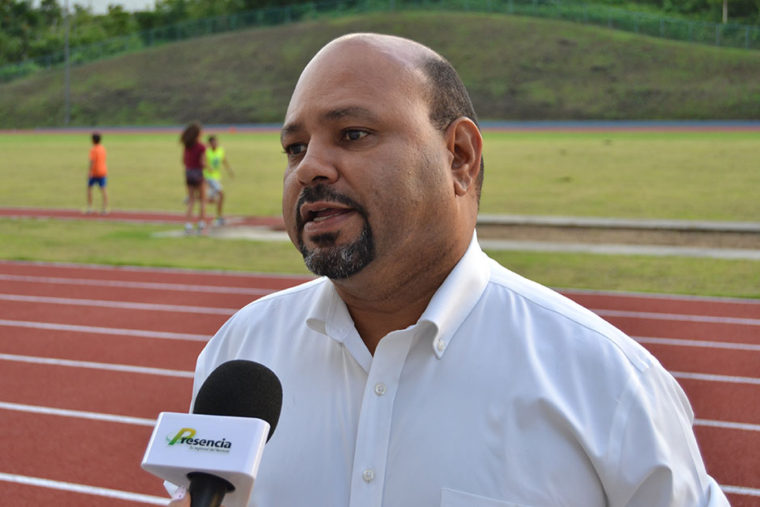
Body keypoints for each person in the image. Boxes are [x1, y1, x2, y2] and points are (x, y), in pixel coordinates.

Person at [169, 33, 728, 506]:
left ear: (459, 156)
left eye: (353, 135)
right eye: (295, 147)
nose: (310, 166)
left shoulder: (610, 385)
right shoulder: (239, 352)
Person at [180, 122, 207, 234]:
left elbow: (183, 160)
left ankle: (188, 224)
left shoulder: (187, 145)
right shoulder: (201, 147)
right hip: (198, 173)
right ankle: (201, 223)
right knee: (202, 199)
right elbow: (203, 163)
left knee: (191, 200)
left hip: (188, 172)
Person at [204, 134, 235, 226]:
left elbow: (224, 160)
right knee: (221, 195)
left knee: (211, 199)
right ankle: (219, 217)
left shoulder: (220, 150)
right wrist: (208, 168)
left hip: (216, 178)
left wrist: (229, 170)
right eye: (213, 142)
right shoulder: (206, 151)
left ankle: (196, 199)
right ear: (209, 143)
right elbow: (203, 162)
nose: (215, 143)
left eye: (216, 142)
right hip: (209, 177)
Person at [85, 132, 108, 214]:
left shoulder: (93, 149)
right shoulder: (103, 148)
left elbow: (92, 161)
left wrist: (89, 171)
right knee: (104, 189)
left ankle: (90, 208)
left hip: (95, 172)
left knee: (89, 188)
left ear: (93, 140)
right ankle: (104, 208)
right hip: (103, 171)